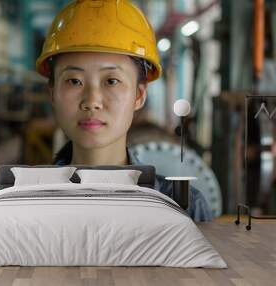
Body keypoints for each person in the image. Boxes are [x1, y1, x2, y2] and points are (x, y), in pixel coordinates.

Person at [35, 0, 213, 221]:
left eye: (111, 81)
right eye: (74, 81)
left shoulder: (184, 208)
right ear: (52, 93)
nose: (92, 101)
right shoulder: (26, 204)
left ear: (138, 95)